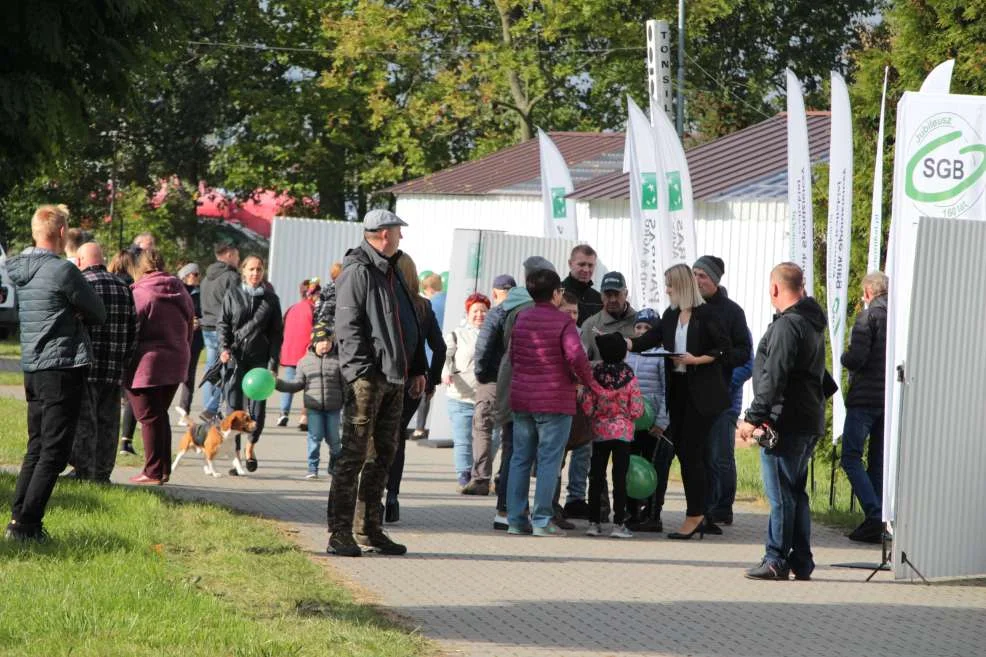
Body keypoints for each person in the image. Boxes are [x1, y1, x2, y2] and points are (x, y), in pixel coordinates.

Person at [4, 205, 106, 542]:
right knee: (55, 450)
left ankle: (18, 518)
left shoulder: (19, 269)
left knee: (37, 445)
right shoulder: (63, 271)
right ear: (62, 232)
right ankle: (28, 525)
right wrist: (75, 310)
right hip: (62, 365)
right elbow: (98, 312)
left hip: (33, 365)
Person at [328, 209, 427, 558]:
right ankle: (340, 533)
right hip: (369, 378)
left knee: (383, 454)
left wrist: (417, 367)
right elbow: (348, 326)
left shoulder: (391, 269)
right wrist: (361, 372)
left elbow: (408, 321)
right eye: (398, 231)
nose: (401, 237)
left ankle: (369, 527)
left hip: (394, 376)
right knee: (353, 455)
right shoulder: (358, 270)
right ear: (384, 233)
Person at [737, 262, 827, 580]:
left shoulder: (789, 326)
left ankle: (776, 559)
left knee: (781, 495)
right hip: (807, 418)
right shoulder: (812, 323)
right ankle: (801, 561)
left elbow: (774, 377)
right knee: (795, 494)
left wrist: (753, 418)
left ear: (775, 288)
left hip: (784, 421)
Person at [629, 263, 730, 540]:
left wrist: (695, 359)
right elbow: (648, 339)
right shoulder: (671, 315)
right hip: (680, 392)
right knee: (687, 455)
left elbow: (724, 348)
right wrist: (622, 342)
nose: (667, 290)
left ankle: (697, 514)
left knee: (691, 455)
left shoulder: (706, 314)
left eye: (670, 285)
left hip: (703, 394)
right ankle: (696, 513)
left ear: (681, 285)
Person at [506, 268, 600, 537]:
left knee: (520, 459)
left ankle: (515, 519)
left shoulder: (522, 318)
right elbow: (576, 357)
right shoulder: (563, 323)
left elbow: (512, 356)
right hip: (555, 399)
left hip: (523, 398)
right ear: (556, 293)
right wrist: (587, 382)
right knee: (549, 459)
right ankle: (542, 520)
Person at [566, 271, 637, 521]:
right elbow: (581, 362)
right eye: (607, 295)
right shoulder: (590, 324)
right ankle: (600, 509)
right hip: (603, 411)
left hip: (635, 408)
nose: (612, 299)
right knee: (595, 466)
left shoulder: (639, 322)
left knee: (630, 465)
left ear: (626, 293)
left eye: (616, 294)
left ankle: (634, 511)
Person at [692, 255, 753, 528]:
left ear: (714, 280)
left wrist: (723, 382)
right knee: (701, 455)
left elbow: (747, 360)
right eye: (693, 274)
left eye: (702, 275)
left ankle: (722, 508)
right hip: (695, 399)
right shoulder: (688, 309)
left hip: (724, 400)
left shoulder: (733, 312)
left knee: (720, 455)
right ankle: (703, 507)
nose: (696, 280)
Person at [68, 242, 137, 482]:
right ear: (102, 259)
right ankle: (103, 473)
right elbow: (133, 329)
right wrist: (125, 359)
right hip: (114, 365)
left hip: (86, 365)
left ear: (80, 260)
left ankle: (83, 470)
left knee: (85, 421)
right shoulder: (123, 286)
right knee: (109, 422)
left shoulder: (82, 285)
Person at [384, 253, 446, 523]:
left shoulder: (386, 303)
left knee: (379, 439)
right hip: (412, 383)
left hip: (386, 379)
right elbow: (439, 347)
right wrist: (431, 380)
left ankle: (372, 498)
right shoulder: (423, 306)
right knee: (397, 439)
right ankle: (393, 497)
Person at [126, 248, 194, 485]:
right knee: (158, 415)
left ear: (140, 268)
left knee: (148, 416)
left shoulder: (141, 293)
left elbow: (131, 329)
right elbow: (189, 325)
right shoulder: (181, 289)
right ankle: (163, 469)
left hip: (148, 363)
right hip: (177, 359)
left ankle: (153, 471)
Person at [217, 254, 283, 475]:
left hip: (259, 361)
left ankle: (250, 449)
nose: (255, 273)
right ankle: (235, 458)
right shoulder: (232, 295)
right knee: (234, 409)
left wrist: (273, 365)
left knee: (257, 410)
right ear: (243, 271)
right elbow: (223, 324)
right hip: (236, 359)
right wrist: (224, 349)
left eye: (259, 269)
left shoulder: (271, 300)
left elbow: (276, 336)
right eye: (251, 269)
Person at [840, 271, 889, 544]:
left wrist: (844, 356)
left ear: (868, 292)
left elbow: (856, 358)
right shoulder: (896, 318)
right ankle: (879, 520)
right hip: (886, 400)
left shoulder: (867, 317)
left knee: (850, 457)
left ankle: (874, 514)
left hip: (864, 399)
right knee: (877, 461)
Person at [580, 332, 644, 539]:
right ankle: (618, 524)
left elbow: (588, 406)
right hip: (623, 433)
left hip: (600, 432)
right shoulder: (629, 376)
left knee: (596, 476)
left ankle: (593, 522)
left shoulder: (595, 374)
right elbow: (637, 409)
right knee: (620, 478)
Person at [463, 274, 515, 496]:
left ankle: (481, 479)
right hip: (516, 380)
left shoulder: (495, 314)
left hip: (492, 379)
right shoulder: (523, 314)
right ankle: (506, 477)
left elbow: (482, 348)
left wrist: (481, 374)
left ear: (495, 294)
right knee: (509, 432)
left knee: (483, 428)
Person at [275, 322, 346, 479]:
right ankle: (312, 468)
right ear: (314, 342)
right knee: (314, 437)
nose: (325, 345)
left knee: (334, 439)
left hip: (333, 408)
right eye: (321, 341)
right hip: (313, 409)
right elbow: (296, 384)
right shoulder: (304, 362)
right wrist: (278, 384)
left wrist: (348, 404)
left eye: (328, 341)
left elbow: (345, 386)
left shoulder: (338, 361)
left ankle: (334, 464)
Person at [624, 308, 671, 532]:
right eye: (639, 327)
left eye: (647, 329)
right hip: (631, 423)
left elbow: (666, 392)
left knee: (654, 468)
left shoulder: (661, 356)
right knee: (631, 466)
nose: (642, 331)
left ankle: (653, 515)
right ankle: (631, 512)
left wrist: (660, 422)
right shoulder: (628, 355)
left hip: (652, 426)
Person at [443, 293, 491, 490]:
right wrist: (446, 372)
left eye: (484, 311)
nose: (480, 315)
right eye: (475, 311)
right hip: (460, 396)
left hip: (485, 397)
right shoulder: (457, 334)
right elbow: (446, 356)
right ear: (468, 313)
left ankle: (479, 473)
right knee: (463, 439)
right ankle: (464, 477)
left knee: (490, 439)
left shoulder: (494, 333)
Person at [199, 242, 241, 421]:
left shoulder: (207, 277)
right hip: (222, 327)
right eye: (238, 256)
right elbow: (236, 304)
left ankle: (210, 408)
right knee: (224, 369)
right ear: (229, 254)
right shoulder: (231, 277)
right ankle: (211, 409)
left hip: (207, 325)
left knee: (211, 367)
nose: (239, 260)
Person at [278, 279, 321, 428]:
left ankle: (283, 413)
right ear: (312, 294)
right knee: (308, 386)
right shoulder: (314, 310)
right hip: (305, 353)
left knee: (288, 384)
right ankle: (304, 417)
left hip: (289, 352)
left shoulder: (292, 308)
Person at [412, 272, 446, 439]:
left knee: (425, 392)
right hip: (445, 349)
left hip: (428, 351)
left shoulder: (429, 304)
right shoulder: (450, 300)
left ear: (428, 288)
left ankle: (419, 427)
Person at [173, 262, 204, 423]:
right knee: (173, 373)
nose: (198, 277)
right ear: (186, 275)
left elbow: (207, 313)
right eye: (195, 274)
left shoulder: (202, 294)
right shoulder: (177, 292)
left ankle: (184, 410)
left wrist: (201, 322)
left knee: (188, 375)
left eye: (198, 274)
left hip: (195, 340)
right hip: (178, 338)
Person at [561, 244, 602, 326]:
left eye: (590, 265)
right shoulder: (557, 293)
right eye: (582, 264)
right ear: (570, 264)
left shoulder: (599, 298)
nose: (586, 270)